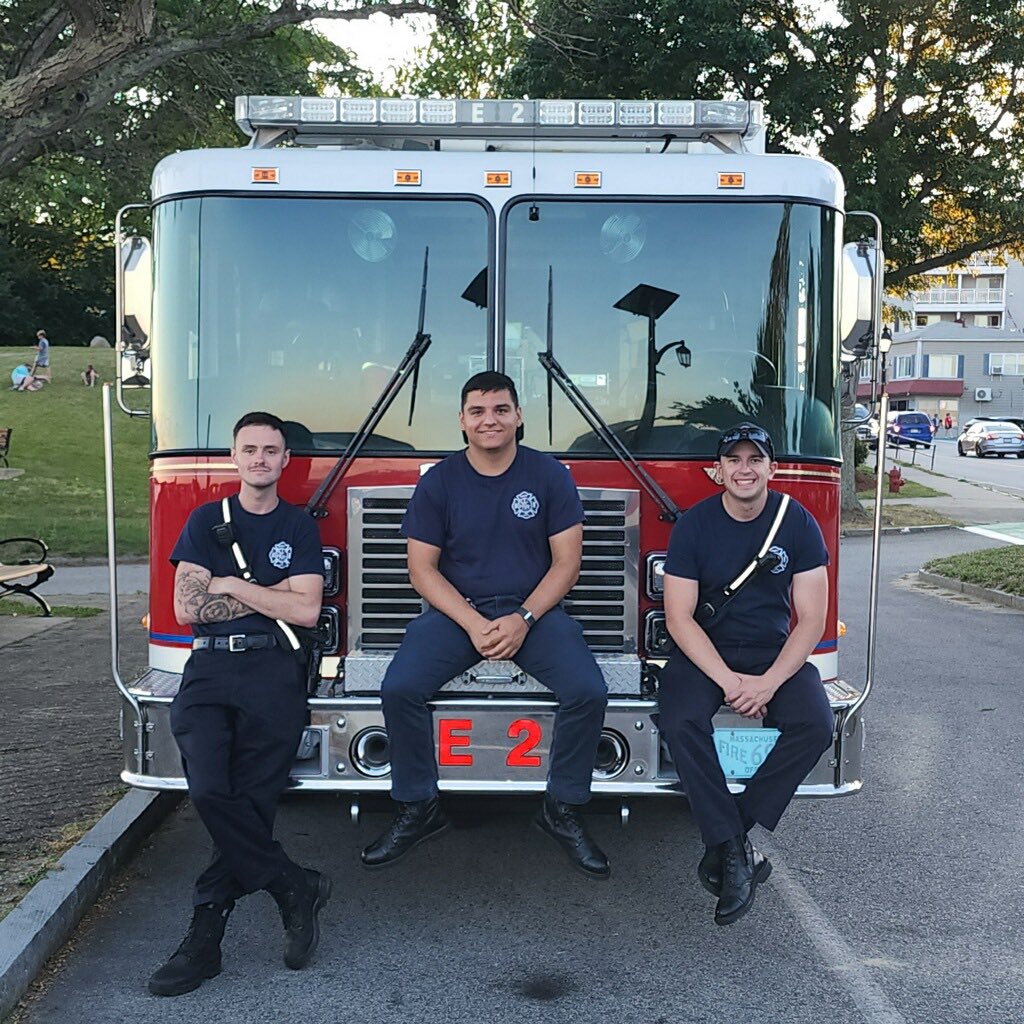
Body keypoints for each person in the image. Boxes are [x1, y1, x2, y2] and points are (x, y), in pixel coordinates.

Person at [362, 371, 610, 878]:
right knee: (400, 688)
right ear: (462, 421)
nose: (489, 420)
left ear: (518, 416)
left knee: (588, 690)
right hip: (459, 614)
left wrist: (523, 618)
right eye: (478, 411)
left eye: (500, 409)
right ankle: (419, 806)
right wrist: (474, 623)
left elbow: (567, 563)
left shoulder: (548, 476)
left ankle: (562, 809)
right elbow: (421, 569)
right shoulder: (439, 482)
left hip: (533, 613)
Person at [149, 411, 330, 997]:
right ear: (235, 456)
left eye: (270, 450)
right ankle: (292, 884)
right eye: (248, 448)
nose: (259, 458)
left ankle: (204, 942)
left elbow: (305, 611)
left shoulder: (299, 527)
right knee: (207, 790)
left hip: (274, 672)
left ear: (283, 461)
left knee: (250, 803)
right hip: (209, 671)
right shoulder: (206, 520)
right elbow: (188, 608)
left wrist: (229, 584)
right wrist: (266, 596)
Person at [658, 423, 833, 926]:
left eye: (755, 459)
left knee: (816, 725)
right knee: (679, 720)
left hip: (771, 652)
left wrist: (770, 682)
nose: (744, 469)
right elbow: (679, 618)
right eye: (734, 460)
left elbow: (812, 620)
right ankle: (736, 853)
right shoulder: (693, 526)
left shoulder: (796, 522)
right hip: (705, 652)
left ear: (772, 469)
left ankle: (728, 840)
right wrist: (731, 682)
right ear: (718, 471)